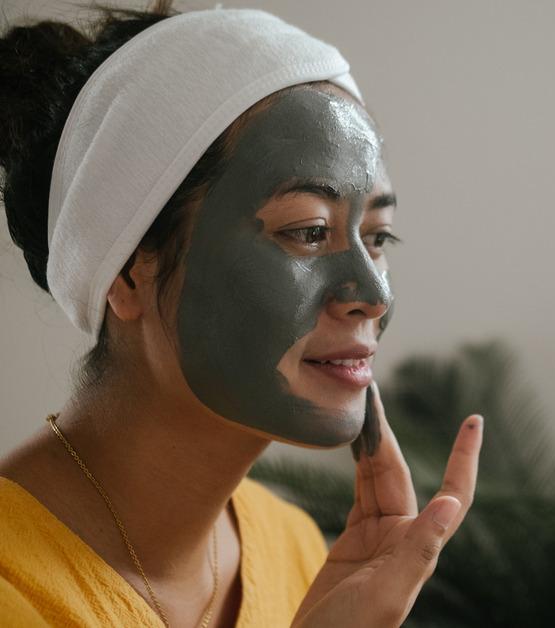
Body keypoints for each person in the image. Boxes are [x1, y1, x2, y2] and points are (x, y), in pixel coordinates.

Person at [0, 2, 483, 626]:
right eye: (309, 231)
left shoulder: (301, 551)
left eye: (379, 236)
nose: (373, 294)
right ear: (127, 270)